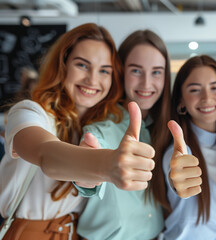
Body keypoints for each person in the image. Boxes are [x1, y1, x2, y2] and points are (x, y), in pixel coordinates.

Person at [0, 23, 154, 240]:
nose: (92, 79)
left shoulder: (102, 126)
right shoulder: (30, 112)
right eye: (82, 65)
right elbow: (45, 153)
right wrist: (107, 164)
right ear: (62, 65)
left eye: (104, 71)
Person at [75, 29, 172, 240]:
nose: (147, 83)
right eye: (136, 71)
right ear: (120, 72)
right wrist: (86, 172)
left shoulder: (164, 128)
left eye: (156, 72)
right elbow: (86, 174)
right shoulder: (101, 128)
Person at [160, 55, 216, 239]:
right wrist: (177, 181)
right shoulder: (179, 151)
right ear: (181, 101)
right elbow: (177, 173)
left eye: (215, 88)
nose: (207, 98)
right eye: (194, 90)